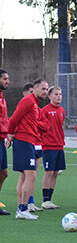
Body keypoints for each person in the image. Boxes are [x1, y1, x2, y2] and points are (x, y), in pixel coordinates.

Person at [7, 79, 49, 220]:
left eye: (46, 89)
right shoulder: (28, 101)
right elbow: (13, 119)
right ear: (34, 89)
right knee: (31, 176)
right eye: (42, 89)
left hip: (27, 142)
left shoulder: (35, 104)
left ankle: (21, 208)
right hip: (24, 141)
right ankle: (23, 209)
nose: (45, 92)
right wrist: (10, 135)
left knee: (24, 177)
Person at [21, 82, 45, 213]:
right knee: (26, 176)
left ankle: (30, 203)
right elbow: (15, 121)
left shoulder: (37, 109)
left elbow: (45, 126)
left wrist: (35, 123)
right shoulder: (24, 106)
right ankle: (24, 205)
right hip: (26, 143)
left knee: (33, 175)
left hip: (37, 144)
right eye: (29, 93)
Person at [41, 86, 66, 209]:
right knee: (49, 172)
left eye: (60, 94)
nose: (59, 96)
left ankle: (49, 199)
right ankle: (45, 200)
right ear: (50, 96)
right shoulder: (45, 111)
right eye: (56, 94)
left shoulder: (62, 110)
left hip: (59, 146)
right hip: (48, 146)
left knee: (55, 172)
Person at [0, 69, 9, 215]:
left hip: (2, 139)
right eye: (5, 79)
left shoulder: (2, 98)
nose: (8, 81)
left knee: (4, 173)